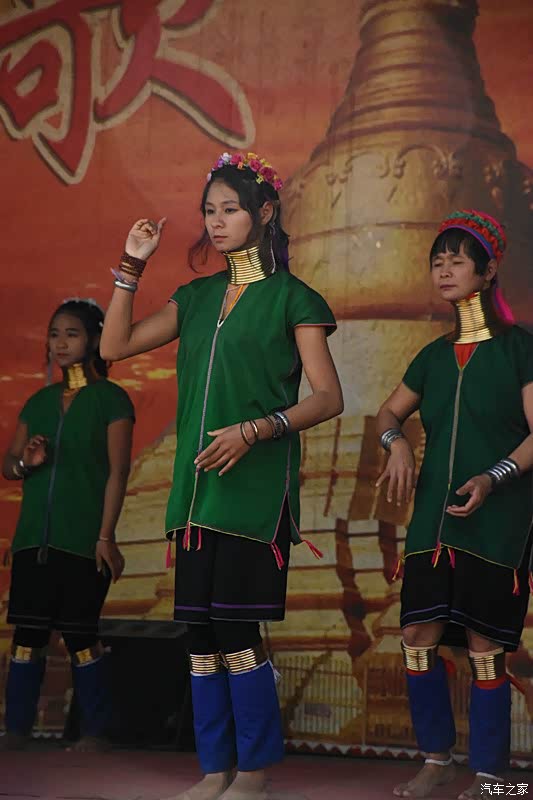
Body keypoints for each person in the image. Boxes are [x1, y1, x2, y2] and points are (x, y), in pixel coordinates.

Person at [100, 151, 343, 800]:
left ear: (264, 213)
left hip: (253, 495)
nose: (216, 221)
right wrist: (131, 265)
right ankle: (214, 770)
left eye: (230, 209)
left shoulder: (293, 298)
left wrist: (255, 430)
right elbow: (113, 347)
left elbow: (328, 398)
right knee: (200, 638)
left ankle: (253, 772)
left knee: (238, 633)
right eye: (209, 210)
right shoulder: (196, 297)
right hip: (194, 494)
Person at [375, 210, 533, 800]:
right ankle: (436, 760)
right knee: (418, 636)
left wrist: (493, 477)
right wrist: (395, 444)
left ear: (488, 272)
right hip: (432, 522)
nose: (444, 270)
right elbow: (389, 412)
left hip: (497, 522)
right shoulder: (433, 356)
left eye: (457, 261)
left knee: (485, 647)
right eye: (437, 261)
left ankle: (491, 778)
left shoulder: (520, 349)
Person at [2, 298, 134, 751]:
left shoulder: (112, 399)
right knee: (27, 637)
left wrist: (106, 536)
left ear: (95, 340)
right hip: (32, 542)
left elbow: (118, 472)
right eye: (54, 334)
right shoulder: (38, 402)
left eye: (71, 334)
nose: (60, 343)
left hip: (83, 541)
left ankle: (96, 733)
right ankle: (16, 731)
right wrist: (27, 462)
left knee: (81, 635)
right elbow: (9, 465)